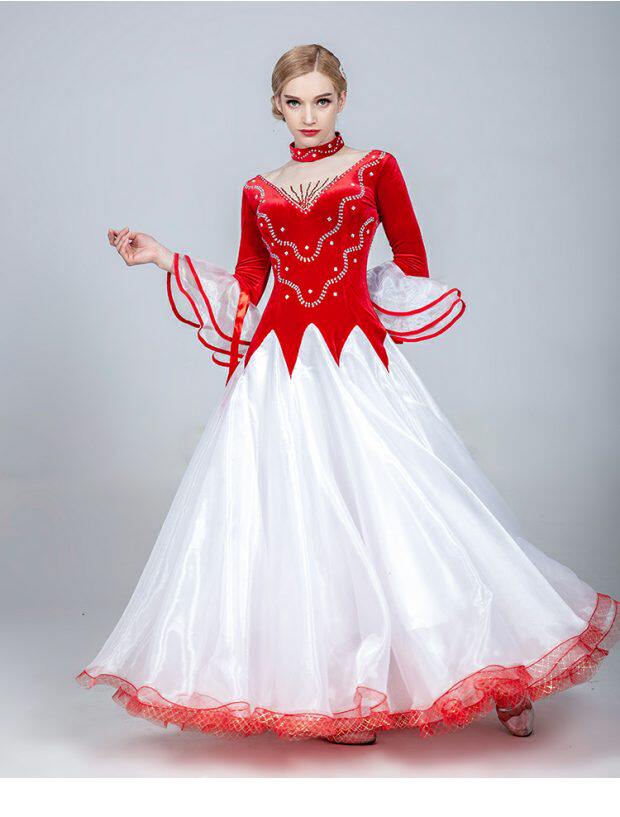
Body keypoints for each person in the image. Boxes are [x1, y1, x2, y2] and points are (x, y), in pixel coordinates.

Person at [76, 44, 618, 746]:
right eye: (294, 102)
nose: (309, 115)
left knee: (414, 512)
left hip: (354, 357)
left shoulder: (375, 167)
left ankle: (499, 673)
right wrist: (160, 257)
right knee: (298, 527)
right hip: (278, 371)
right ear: (276, 106)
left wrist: (372, 318)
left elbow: (411, 257)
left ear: (341, 100)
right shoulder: (258, 189)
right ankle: (338, 695)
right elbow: (248, 283)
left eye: (322, 100)